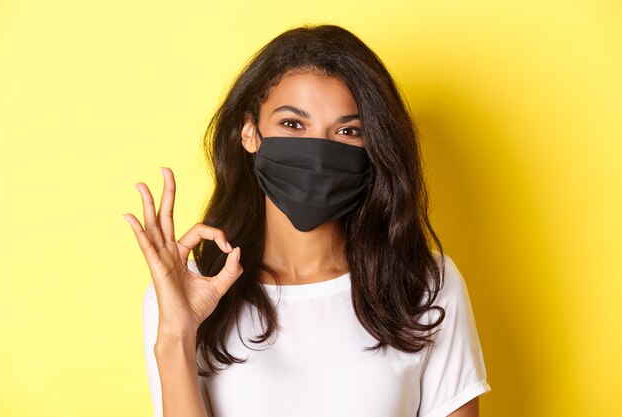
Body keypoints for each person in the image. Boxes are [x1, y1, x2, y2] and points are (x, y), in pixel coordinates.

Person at [123, 24, 491, 417]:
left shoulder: (424, 284)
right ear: (249, 132)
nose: (317, 152)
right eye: (293, 124)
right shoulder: (190, 291)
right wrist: (177, 333)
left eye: (348, 131)